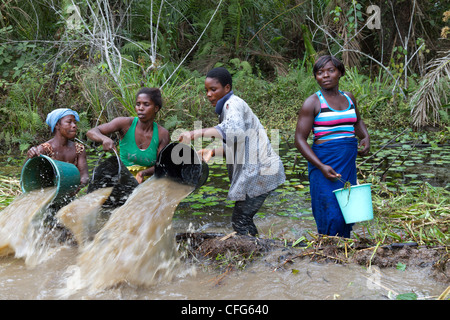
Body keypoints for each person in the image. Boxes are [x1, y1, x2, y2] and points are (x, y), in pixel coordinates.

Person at [179, 67, 285, 236]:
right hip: (259, 170)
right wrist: (212, 151)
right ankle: (259, 250)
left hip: (259, 171)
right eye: (206, 90)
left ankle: (255, 253)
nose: (208, 94)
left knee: (240, 220)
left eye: (213, 89)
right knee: (244, 219)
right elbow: (238, 144)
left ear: (226, 88)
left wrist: (194, 133)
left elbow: (234, 131)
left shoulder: (232, 104)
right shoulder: (228, 108)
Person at [294, 55, 370, 238]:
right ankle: (327, 252)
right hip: (324, 163)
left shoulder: (349, 98)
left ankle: (343, 252)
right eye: (320, 73)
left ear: (340, 73)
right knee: (329, 212)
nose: (325, 76)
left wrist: (365, 137)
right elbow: (299, 139)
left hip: (347, 162)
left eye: (330, 70)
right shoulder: (313, 102)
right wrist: (320, 166)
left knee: (348, 211)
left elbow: (357, 121)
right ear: (316, 77)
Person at [86, 87, 169, 183]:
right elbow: (92, 132)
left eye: (146, 104)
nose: (140, 108)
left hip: (148, 182)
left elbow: (161, 166)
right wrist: (104, 139)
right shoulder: (124, 124)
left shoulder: (162, 134)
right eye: (138, 104)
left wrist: (143, 173)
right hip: (122, 179)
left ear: (156, 108)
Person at [27, 108, 89, 189]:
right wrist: (30, 154)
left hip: (71, 192)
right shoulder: (45, 149)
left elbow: (84, 175)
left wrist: (79, 185)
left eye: (75, 122)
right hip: (50, 195)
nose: (74, 125)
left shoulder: (79, 149)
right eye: (69, 122)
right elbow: (27, 172)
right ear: (57, 125)